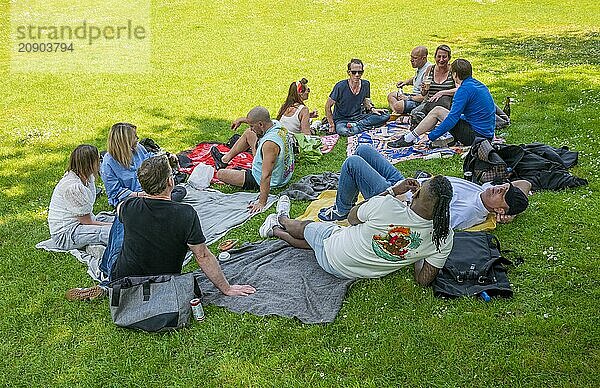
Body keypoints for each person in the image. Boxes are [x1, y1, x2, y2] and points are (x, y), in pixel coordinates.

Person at [67, 156, 256, 301]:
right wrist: (227, 288)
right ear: (170, 182)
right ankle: (108, 281)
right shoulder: (186, 214)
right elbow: (203, 256)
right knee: (123, 220)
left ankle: (106, 278)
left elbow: (120, 209)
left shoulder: (128, 206)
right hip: (164, 281)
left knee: (120, 221)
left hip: (124, 277)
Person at [260, 176, 454, 285]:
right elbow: (423, 280)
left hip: (337, 251)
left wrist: (393, 191)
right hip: (358, 271)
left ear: (417, 192)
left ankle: (281, 219)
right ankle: (275, 230)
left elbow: (352, 218)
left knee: (306, 227)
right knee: (315, 243)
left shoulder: (387, 206)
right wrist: (418, 252)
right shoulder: (444, 237)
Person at [318, 145, 529, 229]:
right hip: (412, 187)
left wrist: (398, 193)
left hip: (399, 202)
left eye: (503, 194)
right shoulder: (485, 192)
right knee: (363, 149)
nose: (499, 188)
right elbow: (525, 184)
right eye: (504, 187)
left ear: (499, 208)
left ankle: (342, 211)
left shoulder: (468, 212)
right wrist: (511, 214)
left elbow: (425, 222)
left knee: (352, 163)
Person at [389, 58, 495, 148]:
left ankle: (408, 139)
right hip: (487, 134)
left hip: (476, 137)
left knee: (437, 111)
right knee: (439, 111)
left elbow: (452, 119)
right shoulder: (478, 85)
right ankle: (411, 137)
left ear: (455, 74)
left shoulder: (463, 90)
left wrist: (431, 136)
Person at [210, 107, 295, 213]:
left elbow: (266, 175)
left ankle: (225, 166)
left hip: (269, 180)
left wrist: (261, 202)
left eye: (252, 126)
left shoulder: (270, 144)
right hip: (282, 172)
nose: (251, 128)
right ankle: (224, 160)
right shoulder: (276, 124)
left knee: (221, 174)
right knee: (249, 133)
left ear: (260, 125)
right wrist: (241, 120)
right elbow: (258, 120)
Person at [48, 144, 113, 250]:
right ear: (90, 163)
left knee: (118, 220)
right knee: (111, 232)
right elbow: (87, 222)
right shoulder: (73, 188)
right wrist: (111, 226)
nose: (100, 162)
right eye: (98, 159)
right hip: (67, 234)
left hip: (82, 223)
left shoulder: (88, 178)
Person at [325, 58, 390, 136]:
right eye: (354, 72)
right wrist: (332, 124)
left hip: (359, 117)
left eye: (360, 72)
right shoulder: (340, 86)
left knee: (386, 114)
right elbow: (327, 106)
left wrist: (373, 109)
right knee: (343, 131)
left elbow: (366, 101)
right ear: (348, 72)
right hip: (342, 120)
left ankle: (356, 126)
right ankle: (365, 126)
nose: (357, 75)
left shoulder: (366, 84)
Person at [100, 122, 151, 207]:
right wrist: (139, 195)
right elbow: (115, 192)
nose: (138, 138)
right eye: (134, 136)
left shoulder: (139, 149)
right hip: (128, 200)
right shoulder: (108, 163)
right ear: (125, 141)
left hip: (148, 192)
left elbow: (149, 161)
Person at [409, 44, 457, 125]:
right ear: (435, 57)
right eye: (439, 56)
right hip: (429, 103)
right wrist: (424, 89)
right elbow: (424, 94)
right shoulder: (430, 69)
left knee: (443, 100)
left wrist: (441, 93)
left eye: (444, 57)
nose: (441, 60)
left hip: (446, 104)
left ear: (449, 58)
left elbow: (460, 89)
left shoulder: (453, 70)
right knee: (414, 113)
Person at [387, 46, 431, 114]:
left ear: (423, 58)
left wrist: (408, 98)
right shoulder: (420, 67)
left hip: (419, 101)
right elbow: (416, 79)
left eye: (415, 58)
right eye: (411, 57)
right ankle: (399, 113)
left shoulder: (428, 71)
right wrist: (405, 82)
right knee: (391, 95)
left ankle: (399, 112)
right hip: (413, 96)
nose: (411, 60)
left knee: (398, 105)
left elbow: (424, 97)